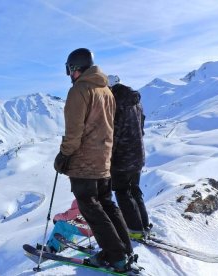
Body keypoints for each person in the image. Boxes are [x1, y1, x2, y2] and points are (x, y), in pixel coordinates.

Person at [53, 48, 135, 272]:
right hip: (104, 158)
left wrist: (64, 155)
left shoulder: (80, 90)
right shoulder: (105, 90)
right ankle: (125, 249)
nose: (69, 75)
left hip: (84, 161)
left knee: (90, 206)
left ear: (74, 68)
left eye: (69, 70)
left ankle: (115, 256)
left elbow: (74, 131)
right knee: (106, 203)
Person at [108, 75, 151, 240]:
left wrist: (109, 155)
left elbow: (115, 133)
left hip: (122, 157)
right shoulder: (135, 101)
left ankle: (135, 230)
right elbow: (141, 125)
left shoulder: (117, 103)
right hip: (138, 153)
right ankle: (144, 225)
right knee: (134, 189)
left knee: (122, 192)